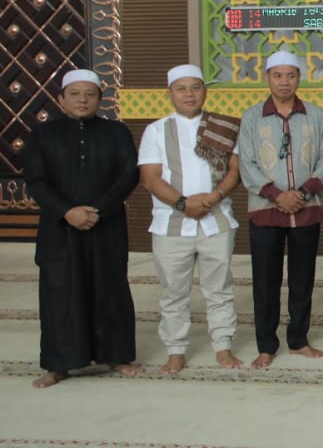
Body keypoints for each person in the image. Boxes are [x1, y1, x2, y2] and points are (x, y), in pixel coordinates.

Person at [23, 69, 143, 388]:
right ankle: (59, 364)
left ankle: (117, 356)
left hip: (106, 226)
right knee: (60, 292)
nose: (82, 100)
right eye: (75, 94)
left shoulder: (116, 132)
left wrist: (97, 210)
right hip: (59, 228)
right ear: (61, 99)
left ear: (100, 100)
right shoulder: (43, 135)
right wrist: (67, 211)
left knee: (110, 289)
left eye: (90, 94)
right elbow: (36, 180)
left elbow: (128, 175)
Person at [137, 64, 243, 374]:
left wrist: (214, 198)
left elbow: (234, 170)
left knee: (220, 289)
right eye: (181, 88)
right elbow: (150, 178)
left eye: (195, 87)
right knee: (174, 291)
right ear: (169, 94)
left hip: (217, 221)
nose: (189, 94)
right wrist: (184, 204)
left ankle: (223, 346)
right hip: (170, 225)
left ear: (204, 91)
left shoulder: (225, 127)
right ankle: (176, 350)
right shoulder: (156, 130)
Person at [238, 49, 323, 369]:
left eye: (290, 75)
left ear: (299, 78)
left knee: (302, 279)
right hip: (265, 210)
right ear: (267, 78)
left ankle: (298, 340)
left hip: (306, 209)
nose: (284, 82)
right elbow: (247, 163)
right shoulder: (252, 117)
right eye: (277, 75)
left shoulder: (315, 114)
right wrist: (277, 196)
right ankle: (266, 345)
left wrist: (303, 193)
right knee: (266, 282)